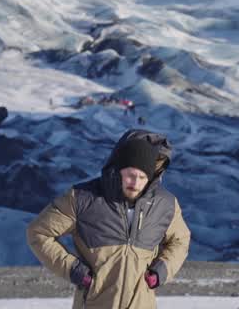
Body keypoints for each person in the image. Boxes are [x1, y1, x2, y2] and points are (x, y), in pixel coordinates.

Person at [27, 130, 190, 309]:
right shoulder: (83, 198)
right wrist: (75, 270)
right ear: (118, 169)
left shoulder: (165, 204)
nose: (135, 182)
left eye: (142, 177)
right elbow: (38, 232)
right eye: (130, 174)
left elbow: (180, 240)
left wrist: (161, 270)